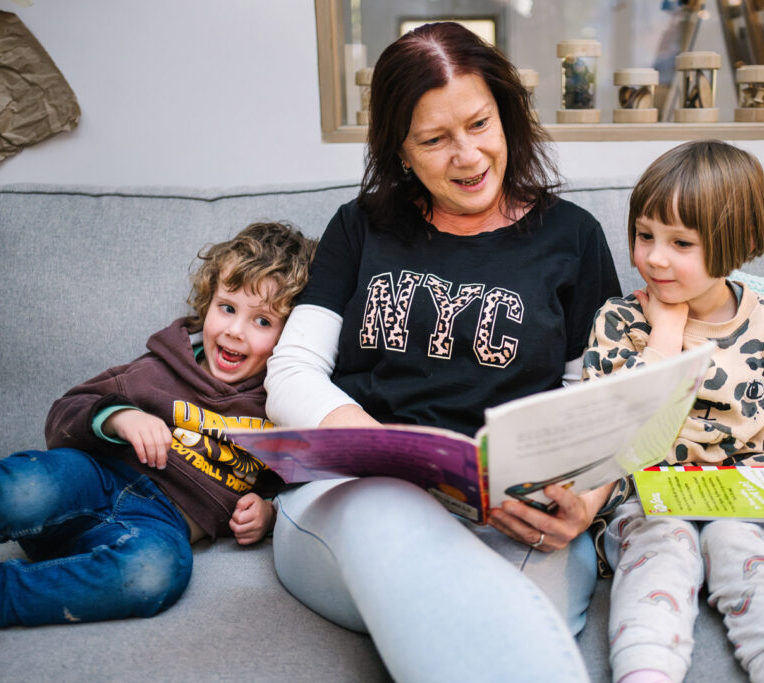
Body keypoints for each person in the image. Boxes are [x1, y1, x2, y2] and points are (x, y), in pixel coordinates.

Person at [264, 22, 622, 682]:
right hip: (362, 500)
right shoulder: (360, 227)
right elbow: (290, 372)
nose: (469, 155)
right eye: (435, 140)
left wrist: (586, 499)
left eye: (480, 123)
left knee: (505, 625)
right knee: (402, 530)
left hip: (515, 518)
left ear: (506, 114)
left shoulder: (573, 237)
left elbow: (598, 399)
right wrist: (386, 453)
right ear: (402, 152)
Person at [582, 140, 764, 683]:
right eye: (645, 235)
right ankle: (645, 669)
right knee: (662, 548)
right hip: (646, 501)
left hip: (747, 500)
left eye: (680, 242)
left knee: (737, 545)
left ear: (734, 244)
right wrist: (664, 338)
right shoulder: (621, 321)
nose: (655, 257)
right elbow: (607, 424)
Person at [0, 222, 316, 627]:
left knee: (156, 575)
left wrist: (270, 513)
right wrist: (120, 417)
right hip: (93, 478)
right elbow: (66, 412)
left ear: (292, 336)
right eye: (227, 308)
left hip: (159, 526)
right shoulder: (160, 367)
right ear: (207, 303)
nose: (235, 331)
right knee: (25, 487)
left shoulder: (281, 411)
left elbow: (293, 485)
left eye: (262, 322)